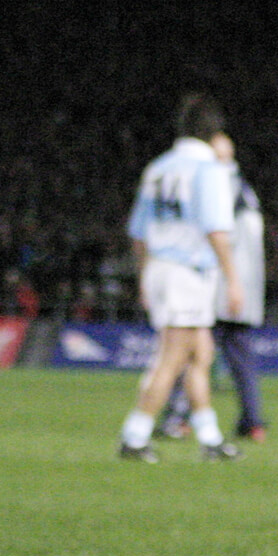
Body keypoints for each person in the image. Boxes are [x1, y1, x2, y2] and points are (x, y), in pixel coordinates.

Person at [116, 94, 245, 463]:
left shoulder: (158, 168)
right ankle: (134, 436)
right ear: (214, 131)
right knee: (172, 357)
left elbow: (138, 233)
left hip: (161, 267)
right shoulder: (208, 171)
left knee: (199, 353)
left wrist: (144, 278)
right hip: (187, 272)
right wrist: (234, 280)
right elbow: (217, 230)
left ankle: (210, 438)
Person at [156, 133, 272, 442]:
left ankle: (178, 420)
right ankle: (254, 421)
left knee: (188, 354)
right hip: (244, 291)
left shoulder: (218, 186)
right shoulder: (245, 190)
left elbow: (217, 236)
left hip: (218, 289)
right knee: (240, 359)